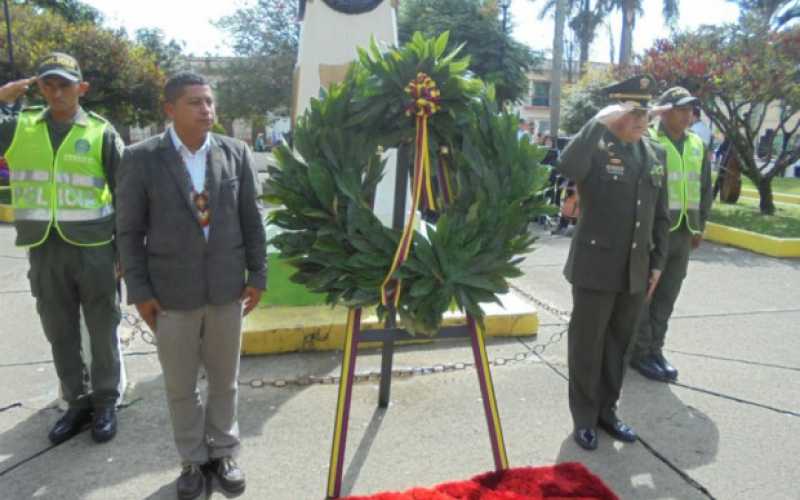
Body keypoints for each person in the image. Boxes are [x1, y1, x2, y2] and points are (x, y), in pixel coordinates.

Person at [116, 72, 267, 499]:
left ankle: (224, 452)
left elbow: (252, 220)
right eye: (195, 103)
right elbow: (128, 232)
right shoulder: (141, 158)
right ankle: (193, 459)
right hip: (171, 294)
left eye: (209, 102)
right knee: (180, 384)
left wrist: (258, 275)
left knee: (225, 379)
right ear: (170, 109)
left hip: (226, 290)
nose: (207, 110)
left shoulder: (235, 153)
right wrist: (141, 291)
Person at [0, 53, 124, 445]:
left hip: (95, 249)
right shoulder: (18, 126)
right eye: (48, 84)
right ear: (39, 87)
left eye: (65, 84)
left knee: (102, 329)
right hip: (43, 249)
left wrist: (124, 253)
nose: (56, 91)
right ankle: (77, 402)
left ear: (81, 88)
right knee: (59, 331)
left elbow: (128, 196)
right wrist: (2, 99)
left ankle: (105, 401)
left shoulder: (101, 133)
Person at [556, 75, 670, 451]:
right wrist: (596, 123)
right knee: (588, 345)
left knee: (619, 345)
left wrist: (657, 263)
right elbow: (568, 167)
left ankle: (608, 411)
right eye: (632, 112)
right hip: (595, 264)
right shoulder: (596, 146)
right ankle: (584, 418)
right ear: (614, 112)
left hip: (636, 268)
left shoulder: (655, 154)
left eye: (645, 112)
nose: (641, 120)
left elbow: (660, 215)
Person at [631, 87, 712, 382]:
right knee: (644, 294)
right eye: (682, 109)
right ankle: (639, 352)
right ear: (665, 111)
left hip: (683, 232)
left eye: (691, 109)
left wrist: (700, 224)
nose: (688, 115)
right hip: (654, 233)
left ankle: (655, 349)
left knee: (667, 295)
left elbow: (704, 189)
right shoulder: (648, 140)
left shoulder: (696, 144)